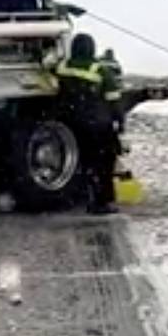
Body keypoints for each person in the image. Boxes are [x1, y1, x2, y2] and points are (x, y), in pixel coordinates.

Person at [55, 33, 123, 215]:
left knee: (82, 163)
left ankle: (77, 196)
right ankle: (101, 203)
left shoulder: (62, 67)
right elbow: (114, 102)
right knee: (104, 165)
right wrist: (119, 124)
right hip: (98, 125)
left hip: (72, 124)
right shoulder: (100, 71)